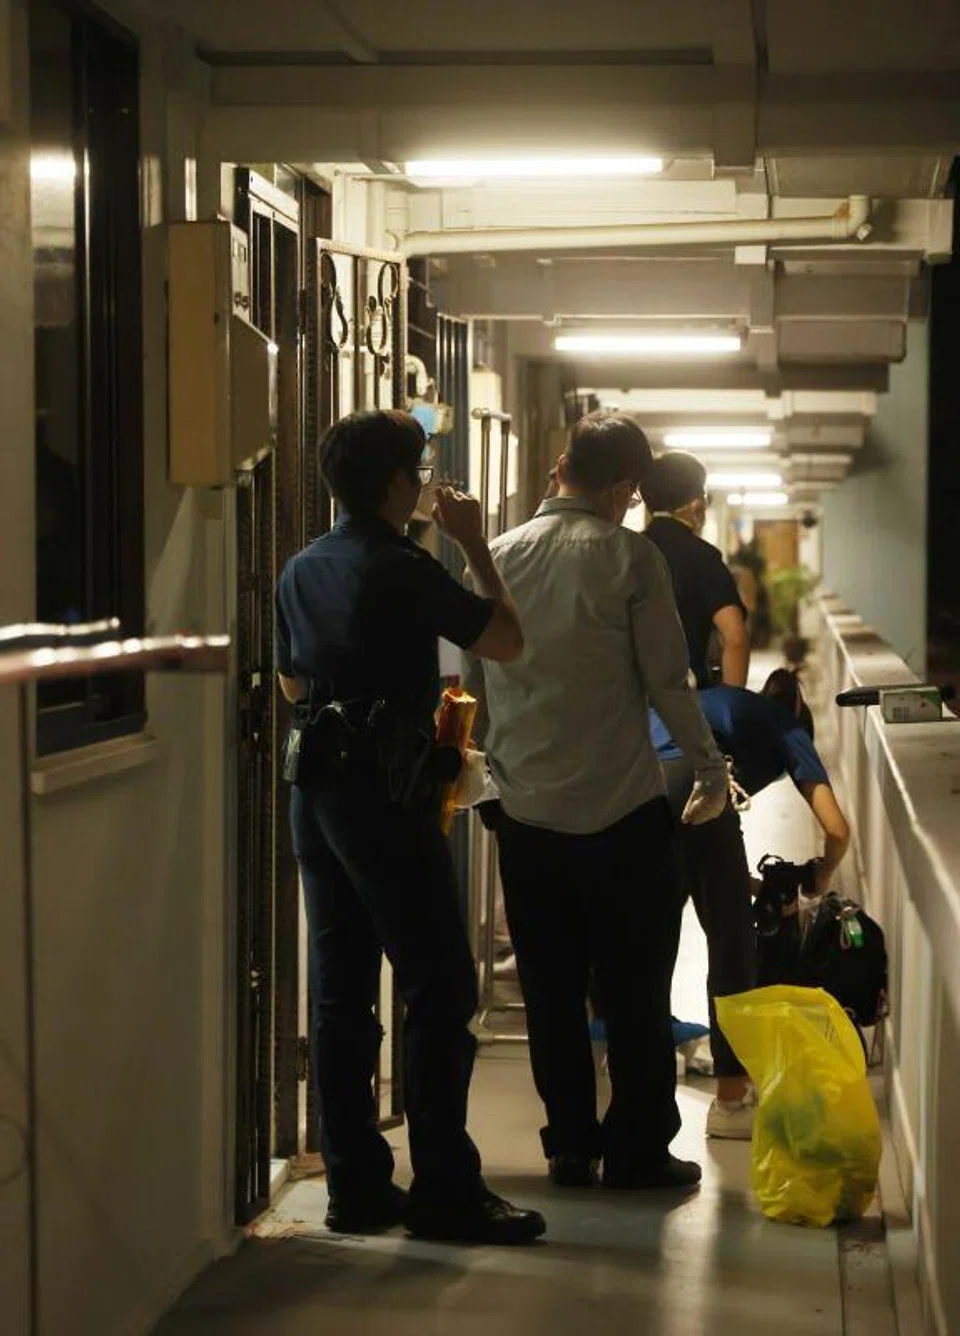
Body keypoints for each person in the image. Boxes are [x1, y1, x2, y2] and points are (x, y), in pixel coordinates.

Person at [275, 408, 545, 1246]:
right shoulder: (401, 563)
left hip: (313, 785)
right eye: (421, 469)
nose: (427, 482)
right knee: (438, 983)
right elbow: (506, 640)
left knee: (341, 984)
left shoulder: (301, 568)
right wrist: (475, 544)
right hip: (385, 794)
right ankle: (445, 1191)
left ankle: (356, 1184)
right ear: (398, 482)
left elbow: (290, 688)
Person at [477, 411, 729, 1192]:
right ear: (622, 488)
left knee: (551, 990)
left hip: (524, 813)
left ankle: (570, 1147)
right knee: (635, 986)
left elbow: (479, 686)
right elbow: (668, 681)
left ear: (560, 464)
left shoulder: (496, 558)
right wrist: (712, 771)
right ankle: (637, 1150)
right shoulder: (631, 559)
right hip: (621, 812)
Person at [650, 667, 851, 1138]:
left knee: (649, 948)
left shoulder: (725, 704)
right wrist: (820, 874)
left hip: (636, 784)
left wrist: (752, 887)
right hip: (700, 779)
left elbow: (702, 860)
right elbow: (837, 830)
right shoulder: (785, 726)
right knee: (732, 944)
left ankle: (638, 1096)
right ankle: (731, 1101)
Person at [642, 451, 750, 687]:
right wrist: (729, 706)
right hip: (688, 703)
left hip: (628, 705)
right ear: (696, 506)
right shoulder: (704, 558)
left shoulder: (626, 552)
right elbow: (735, 637)